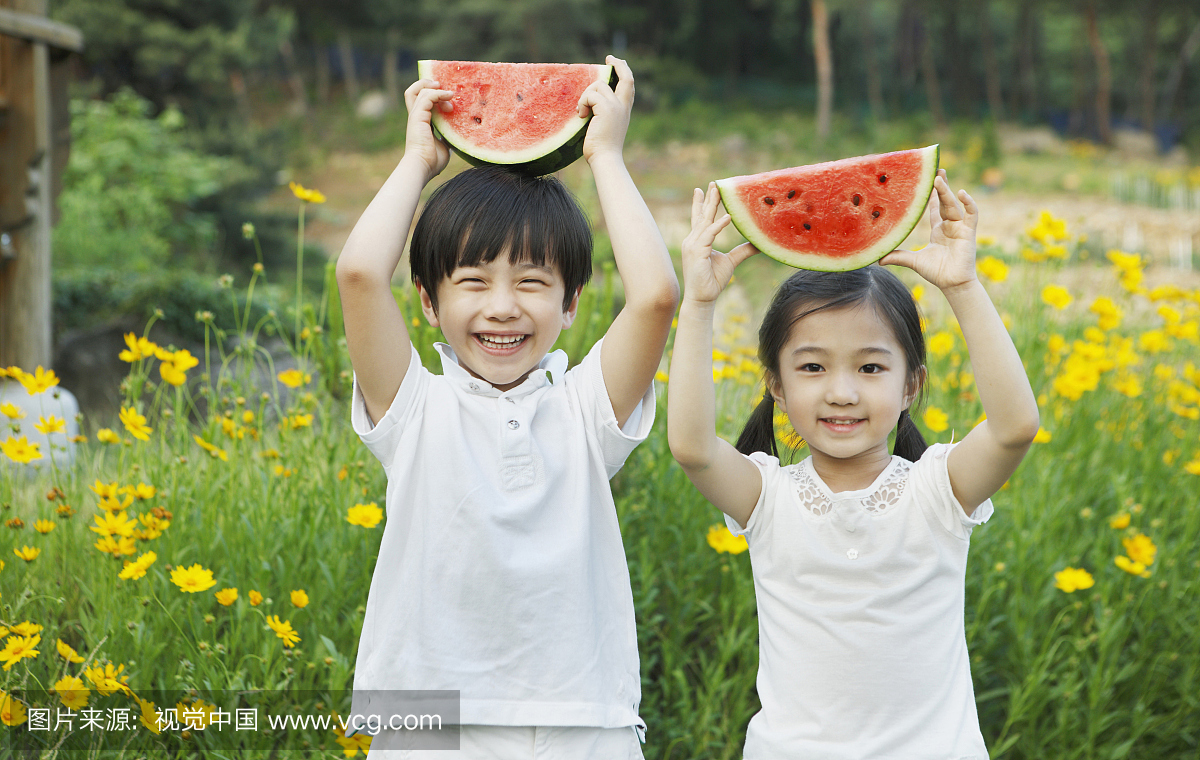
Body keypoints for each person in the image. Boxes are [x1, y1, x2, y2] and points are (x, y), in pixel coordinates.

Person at [335, 56, 678, 759]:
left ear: (572, 302)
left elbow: (655, 297)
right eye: (471, 281)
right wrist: (415, 161)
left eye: (531, 282)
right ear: (428, 303)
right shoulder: (412, 408)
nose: (501, 307)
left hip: (582, 719)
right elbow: (360, 273)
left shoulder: (586, 410)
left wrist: (605, 156)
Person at [667, 173, 1039, 759]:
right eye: (813, 368)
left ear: (911, 384)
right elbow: (692, 445)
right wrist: (699, 302)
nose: (841, 392)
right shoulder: (768, 498)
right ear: (777, 388)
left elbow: (1015, 427)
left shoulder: (937, 492)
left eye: (870, 368)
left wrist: (963, 285)